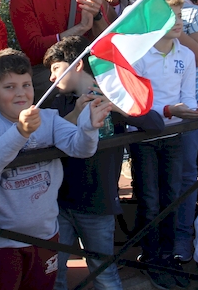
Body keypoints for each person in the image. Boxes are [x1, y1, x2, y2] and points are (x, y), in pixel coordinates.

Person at [0, 49, 108, 290]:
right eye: (9, 87)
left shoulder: (50, 118)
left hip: (47, 236)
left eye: (26, 84)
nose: (21, 93)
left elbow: (80, 148)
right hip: (3, 241)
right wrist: (21, 132)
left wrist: (88, 127)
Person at [43, 36, 164, 290]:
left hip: (99, 203)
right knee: (55, 275)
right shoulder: (59, 102)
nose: (52, 78)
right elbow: (46, 140)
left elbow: (155, 124)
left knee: (105, 274)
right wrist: (76, 113)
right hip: (60, 203)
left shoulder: (115, 94)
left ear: (76, 64)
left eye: (55, 68)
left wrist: (118, 105)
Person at [129, 0, 198, 288]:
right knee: (151, 201)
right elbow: (134, 104)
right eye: (171, 17)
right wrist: (168, 112)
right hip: (144, 137)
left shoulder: (187, 55)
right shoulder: (139, 55)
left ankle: (167, 257)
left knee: (171, 198)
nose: (179, 22)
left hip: (174, 136)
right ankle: (151, 257)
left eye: (180, 16)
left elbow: (188, 97)